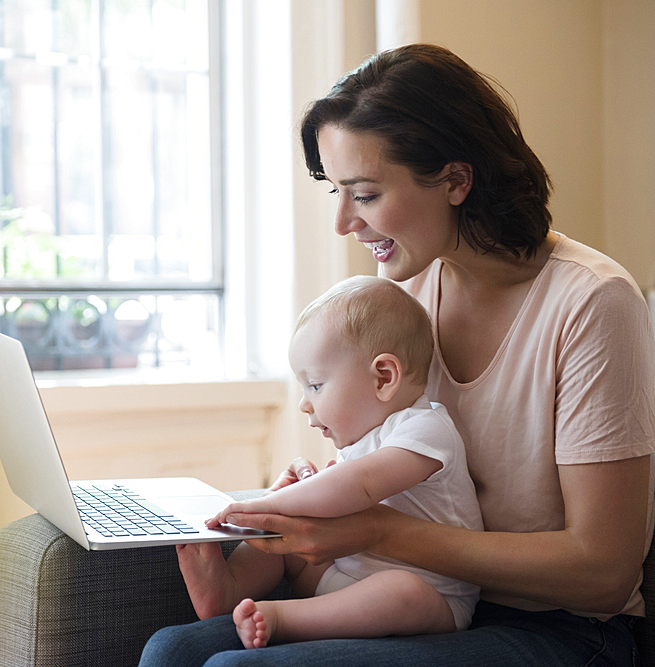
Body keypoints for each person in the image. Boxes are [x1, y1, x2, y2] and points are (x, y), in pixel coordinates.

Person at [140, 43, 655, 666]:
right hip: (404, 592)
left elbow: (604, 570)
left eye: (363, 194)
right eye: (336, 192)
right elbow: (365, 469)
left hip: (566, 630)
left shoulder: (592, 302)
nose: (343, 223)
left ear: (456, 180)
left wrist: (378, 531)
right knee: (171, 652)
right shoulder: (401, 299)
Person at [178, 275, 483, 650]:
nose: (305, 404)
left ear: (384, 378)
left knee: (402, 591)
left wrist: (261, 505)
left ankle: (283, 619)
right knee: (287, 541)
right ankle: (226, 590)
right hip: (345, 578)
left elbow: (357, 487)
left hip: (434, 598)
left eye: (316, 385)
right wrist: (292, 494)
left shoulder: (425, 428)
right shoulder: (359, 440)